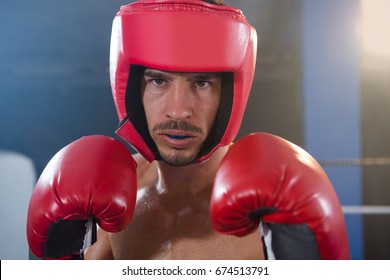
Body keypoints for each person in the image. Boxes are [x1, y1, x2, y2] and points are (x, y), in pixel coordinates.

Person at [27, 0, 350, 260]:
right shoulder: (111, 195)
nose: (179, 110)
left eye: (202, 82)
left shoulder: (271, 200)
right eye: (158, 81)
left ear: (229, 93)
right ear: (129, 88)